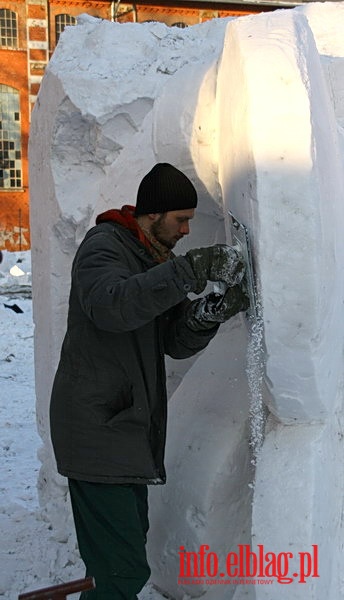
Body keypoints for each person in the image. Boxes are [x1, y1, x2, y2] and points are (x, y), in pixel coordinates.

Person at [50, 163, 249, 600]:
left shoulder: (155, 258)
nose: (185, 230)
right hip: (97, 429)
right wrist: (189, 272)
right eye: (181, 220)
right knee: (121, 572)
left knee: (116, 565)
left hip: (125, 432)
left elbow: (174, 339)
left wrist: (209, 311)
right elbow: (111, 306)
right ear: (153, 214)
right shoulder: (103, 247)